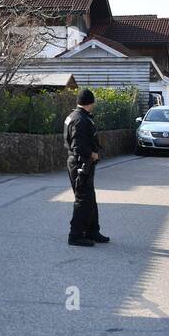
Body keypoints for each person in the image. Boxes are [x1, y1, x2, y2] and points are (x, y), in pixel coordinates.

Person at [64, 89, 109, 247]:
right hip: (80, 163)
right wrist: (93, 154)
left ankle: (92, 231)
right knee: (83, 199)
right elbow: (78, 146)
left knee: (90, 198)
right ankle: (75, 235)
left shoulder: (73, 116)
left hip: (78, 162)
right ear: (90, 103)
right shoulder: (81, 120)